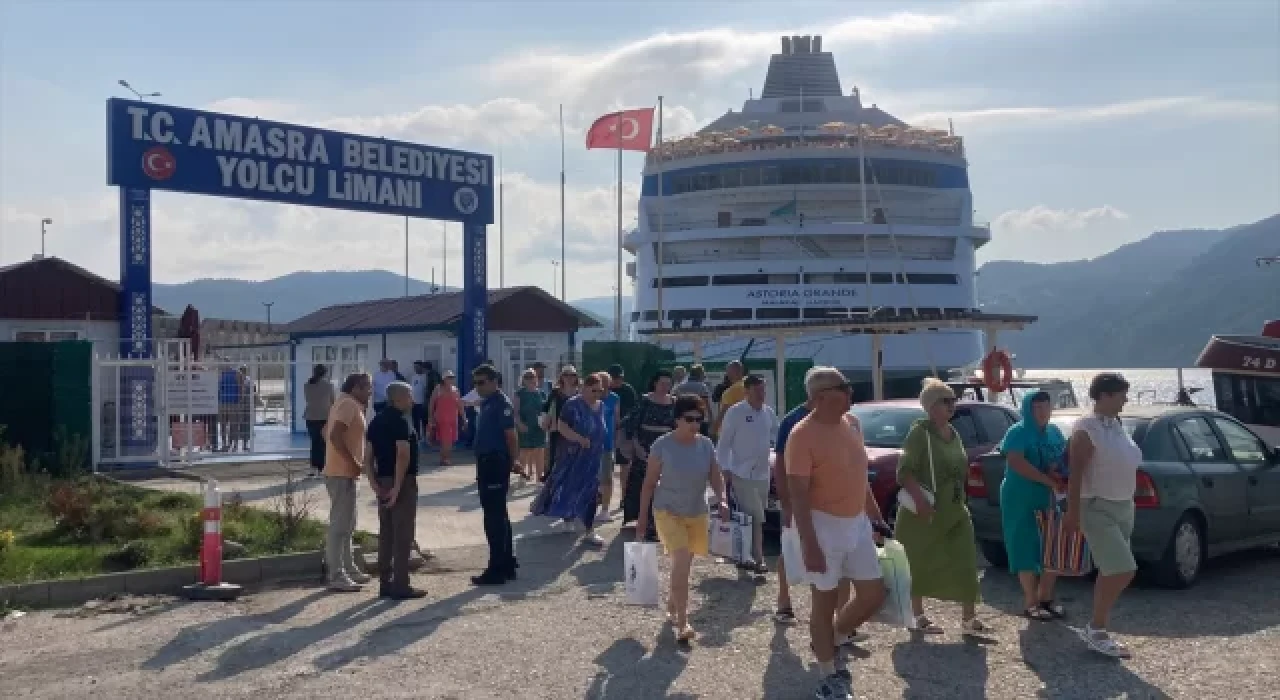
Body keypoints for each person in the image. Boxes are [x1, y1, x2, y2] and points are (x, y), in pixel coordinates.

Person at [786, 367, 887, 699]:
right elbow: (798, 494)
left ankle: (833, 638)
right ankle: (828, 674)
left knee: (873, 595)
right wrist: (809, 543)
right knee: (824, 602)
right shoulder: (801, 435)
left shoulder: (853, 425)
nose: (850, 391)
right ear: (820, 398)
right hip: (822, 526)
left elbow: (860, 478)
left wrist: (876, 518)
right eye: (843, 388)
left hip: (856, 523)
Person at [894, 378, 987, 635]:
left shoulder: (954, 432)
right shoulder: (919, 433)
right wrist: (921, 502)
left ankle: (969, 618)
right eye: (946, 401)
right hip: (925, 512)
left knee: (966, 559)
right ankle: (917, 616)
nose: (952, 405)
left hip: (955, 508)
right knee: (918, 561)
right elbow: (905, 472)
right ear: (932, 406)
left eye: (953, 400)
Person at [636, 393, 731, 643]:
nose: (694, 424)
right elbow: (648, 484)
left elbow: (715, 475)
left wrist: (722, 499)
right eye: (689, 419)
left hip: (696, 512)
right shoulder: (662, 445)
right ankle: (683, 622)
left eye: (699, 420)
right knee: (681, 560)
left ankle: (673, 601)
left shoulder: (706, 445)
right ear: (677, 419)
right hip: (668, 511)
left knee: (683, 566)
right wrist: (642, 519)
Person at [1064, 372, 1141, 659]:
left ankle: (1099, 627)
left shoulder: (1116, 424)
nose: (1125, 401)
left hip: (1123, 505)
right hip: (1096, 506)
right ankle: (1096, 628)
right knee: (1123, 569)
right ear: (1105, 396)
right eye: (1121, 395)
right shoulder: (1086, 428)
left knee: (1112, 569)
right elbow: (1076, 475)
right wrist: (1072, 512)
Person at [999, 390, 1068, 621]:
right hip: (1020, 497)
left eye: (1046, 407)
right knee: (1025, 546)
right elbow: (1017, 462)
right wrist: (1047, 480)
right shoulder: (1017, 433)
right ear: (1028, 409)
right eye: (1036, 408)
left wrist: (1059, 475)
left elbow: (1062, 459)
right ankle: (1030, 601)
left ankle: (1046, 596)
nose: (1042, 412)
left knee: (1053, 546)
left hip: (1049, 498)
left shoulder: (1055, 432)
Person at [365, 381, 426, 599]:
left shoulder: (376, 421)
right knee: (403, 534)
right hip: (402, 482)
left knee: (386, 533)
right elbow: (403, 455)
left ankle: (385, 582)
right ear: (398, 399)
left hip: (382, 480)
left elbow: (368, 456)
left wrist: (374, 483)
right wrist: (398, 487)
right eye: (409, 396)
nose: (412, 400)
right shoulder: (400, 421)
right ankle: (401, 585)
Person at [535, 373, 608, 547]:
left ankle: (589, 530)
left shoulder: (601, 405)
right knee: (569, 487)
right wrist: (579, 438)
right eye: (593, 390)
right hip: (573, 456)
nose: (597, 394)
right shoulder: (572, 404)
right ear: (584, 388)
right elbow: (561, 426)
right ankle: (568, 515)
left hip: (593, 457)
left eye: (600, 390)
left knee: (591, 491)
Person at [715, 374, 777, 573]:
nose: (762, 394)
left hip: (763, 474)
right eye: (757, 390)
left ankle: (744, 555)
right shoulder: (736, 412)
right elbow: (723, 443)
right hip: (742, 473)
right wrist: (724, 469)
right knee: (755, 516)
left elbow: (774, 438)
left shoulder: (768, 413)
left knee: (752, 516)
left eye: (763, 390)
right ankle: (758, 558)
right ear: (746, 391)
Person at [322, 372, 375, 592]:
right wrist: (352, 461)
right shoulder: (348, 405)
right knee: (339, 526)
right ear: (356, 388)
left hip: (343, 472)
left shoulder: (343, 403)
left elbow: (326, 432)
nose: (370, 392)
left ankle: (349, 568)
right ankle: (336, 574)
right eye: (367, 388)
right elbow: (334, 435)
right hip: (342, 473)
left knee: (348, 525)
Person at [471, 364, 520, 586]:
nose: (478, 387)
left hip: (495, 462)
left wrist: (513, 461)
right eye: (475, 383)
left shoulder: (501, 404)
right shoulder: (488, 403)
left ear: (494, 381)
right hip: (486, 461)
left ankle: (497, 569)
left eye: (481, 382)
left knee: (493, 517)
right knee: (498, 514)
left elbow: (510, 435)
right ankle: (507, 562)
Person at [622, 370, 677, 537]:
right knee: (644, 484)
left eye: (668, 384)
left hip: (667, 448)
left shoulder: (674, 402)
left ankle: (660, 522)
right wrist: (636, 446)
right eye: (662, 383)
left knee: (664, 486)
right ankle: (642, 520)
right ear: (655, 383)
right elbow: (632, 424)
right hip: (645, 446)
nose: (665, 387)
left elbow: (677, 427)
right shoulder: (645, 400)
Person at [607, 364, 639, 515]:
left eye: (620, 377)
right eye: (615, 378)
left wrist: (624, 422)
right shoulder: (604, 391)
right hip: (606, 432)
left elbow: (634, 410)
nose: (618, 380)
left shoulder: (628, 390)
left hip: (623, 431)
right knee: (606, 468)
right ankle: (603, 497)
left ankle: (624, 497)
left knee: (625, 466)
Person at [542, 366, 580, 482]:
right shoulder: (555, 392)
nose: (569, 378)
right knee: (556, 460)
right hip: (557, 430)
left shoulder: (580, 392)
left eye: (572, 375)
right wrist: (545, 422)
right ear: (561, 377)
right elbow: (546, 408)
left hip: (575, 431)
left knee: (573, 461)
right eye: (566, 375)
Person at [594, 371, 623, 523]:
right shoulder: (591, 397)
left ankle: (605, 510)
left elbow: (616, 421)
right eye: (601, 381)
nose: (604, 385)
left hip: (607, 444)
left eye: (606, 382)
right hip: (591, 444)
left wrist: (617, 441)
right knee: (592, 477)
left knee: (607, 477)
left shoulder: (614, 398)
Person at [427, 370, 466, 466]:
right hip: (442, 418)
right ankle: (445, 458)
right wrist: (430, 417)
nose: (451, 379)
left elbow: (460, 405)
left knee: (451, 440)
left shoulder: (455, 390)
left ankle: (446, 457)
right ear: (444, 379)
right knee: (446, 440)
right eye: (449, 377)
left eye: (452, 377)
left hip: (453, 418)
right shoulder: (438, 389)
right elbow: (432, 403)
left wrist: (464, 418)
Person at [515, 369, 548, 481]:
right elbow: (516, 412)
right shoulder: (519, 394)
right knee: (525, 451)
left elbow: (545, 410)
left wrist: (545, 422)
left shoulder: (541, 393)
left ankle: (539, 477)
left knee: (539, 451)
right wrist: (519, 423)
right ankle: (522, 475)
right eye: (527, 377)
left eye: (533, 376)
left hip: (539, 427)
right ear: (523, 380)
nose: (531, 379)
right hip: (525, 425)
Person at [303, 364, 335, 477]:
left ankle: (313, 467)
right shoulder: (329, 386)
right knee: (323, 443)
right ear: (325, 373)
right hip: (324, 417)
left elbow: (308, 399)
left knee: (314, 442)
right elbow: (333, 401)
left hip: (310, 417)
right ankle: (322, 468)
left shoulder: (307, 385)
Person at [674, 365, 713, 436]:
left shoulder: (680, 387)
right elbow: (706, 404)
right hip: (699, 420)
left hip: (683, 419)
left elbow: (676, 403)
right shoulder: (702, 387)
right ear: (700, 375)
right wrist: (711, 419)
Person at [713, 360, 747, 438]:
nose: (726, 374)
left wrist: (714, 427)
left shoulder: (731, 391)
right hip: (746, 429)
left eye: (727, 371)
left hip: (730, 433)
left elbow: (724, 411)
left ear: (731, 372)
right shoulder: (750, 386)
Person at [410, 361, 430, 444]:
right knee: (415, 421)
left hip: (422, 403)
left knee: (424, 421)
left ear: (421, 367)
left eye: (417, 367)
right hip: (414, 403)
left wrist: (426, 401)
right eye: (414, 367)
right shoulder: (413, 377)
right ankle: (417, 437)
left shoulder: (425, 377)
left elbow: (426, 390)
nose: (416, 369)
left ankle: (426, 437)